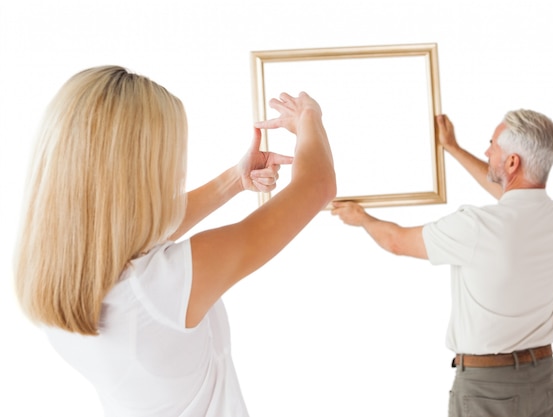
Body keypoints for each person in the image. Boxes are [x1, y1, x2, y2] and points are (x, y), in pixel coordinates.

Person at [14, 66, 336, 417]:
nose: (179, 170)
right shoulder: (160, 291)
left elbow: (134, 227)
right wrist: (309, 119)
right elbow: (316, 186)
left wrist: (235, 179)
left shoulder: (51, 268)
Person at [332, 111, 553, 417]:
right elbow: (513, 195)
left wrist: (363, 218)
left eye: (492, 146)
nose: (487, 152)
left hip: (489, 389)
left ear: (512, 163)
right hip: (543, 383)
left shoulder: (477, 226)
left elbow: (396, 241)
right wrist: (453, 148)